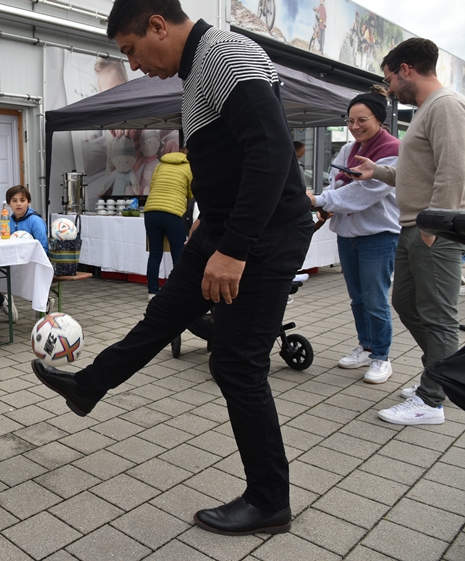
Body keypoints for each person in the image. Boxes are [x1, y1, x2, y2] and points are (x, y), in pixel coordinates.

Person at [32, 0, 313, 536]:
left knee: (237, 365)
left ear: (158, 25)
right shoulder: (198, 67)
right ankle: (90, 385)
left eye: (132, 50)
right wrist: (212, 221)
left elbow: (271, 152)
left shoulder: (226, 53)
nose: (134, 65)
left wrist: (235, 249)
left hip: (263, 236)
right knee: (162, 316)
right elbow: (230, 156)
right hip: (220, 230)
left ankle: (269, 500)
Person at [353, 38, 465, 426]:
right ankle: (439, 375)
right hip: (415, 226)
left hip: (432, 229)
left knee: (437, 317)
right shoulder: (426, 110)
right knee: (406, 304)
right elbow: (419, 173)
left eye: (389, 79)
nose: (389, 88)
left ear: (406, 70)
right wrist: (379, 172)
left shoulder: (445, 105)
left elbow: (454, 169)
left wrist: (436, 225)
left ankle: (431, 400)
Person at [308, 86, 400, 384]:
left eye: (362, 120)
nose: (355, 126)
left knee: (375, 298)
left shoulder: (393, 151)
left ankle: (381, 357)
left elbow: (362, 193)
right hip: (348, 234)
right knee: (357, 297)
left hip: (378, 234)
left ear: (379, 120)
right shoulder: (349, 149)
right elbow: (336, 184)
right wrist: (325, 201)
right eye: (350, 120)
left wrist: (320, 201)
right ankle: (366, 346)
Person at [0, 184, 49, 320]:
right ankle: (3, 302)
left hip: (31, 262)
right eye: (14, 200)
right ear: (9, 204)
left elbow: (43, 248)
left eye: (22, 200)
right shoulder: (7, 220)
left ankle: (43, 302)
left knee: (23, 280)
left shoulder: (35, 221)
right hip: (12, 261)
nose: (18, 204)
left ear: (28, 202)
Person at [144, 147, 192, 300]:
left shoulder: (160, 165)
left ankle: (152, 292)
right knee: (177, 254)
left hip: (151, 211)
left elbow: (152, 186)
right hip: (173, 213)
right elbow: (192, 195)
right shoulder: (189, 167)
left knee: (155, 253)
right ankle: (177, 292)